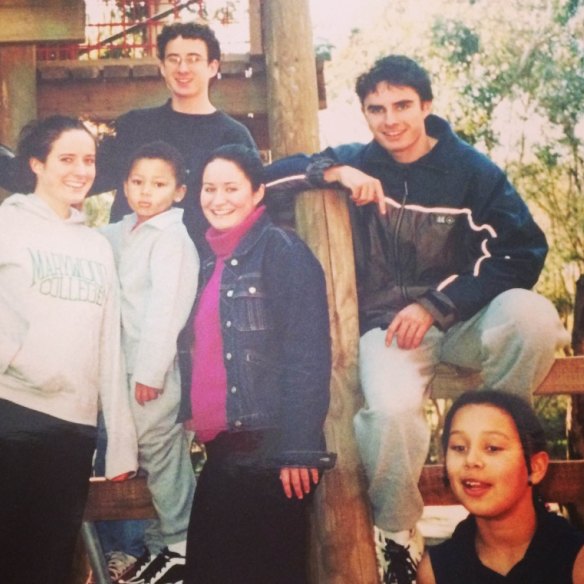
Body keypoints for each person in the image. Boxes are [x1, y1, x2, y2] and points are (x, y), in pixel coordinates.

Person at [264, 54, 570, 583]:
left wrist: (437, 305)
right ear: (363, 114)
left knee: (536, 317)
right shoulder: (358, 160)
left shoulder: (471, 172)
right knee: (388, 411)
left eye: (403, 104)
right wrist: (332, 171)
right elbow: (261, 180)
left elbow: (524, 251)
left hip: (462, 322)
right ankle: (399, 534)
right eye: (376, 108)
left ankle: (499, 448)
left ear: (426, 105)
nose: (391, 119)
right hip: (389, 332)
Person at [178, 144, 335, 584]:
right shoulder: (208, 261)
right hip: (222, 451)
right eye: (210, 188)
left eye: (231, 187)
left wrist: (299, 448)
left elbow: (307, 353)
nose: (218, 198)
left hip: (272, 452)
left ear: (257, 192)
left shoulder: (282, 250)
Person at [0, 115, 138, 584]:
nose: (80, 170)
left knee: (51, 562)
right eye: (66, 158)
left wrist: (119, 443)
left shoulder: (97, 246)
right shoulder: (8, 224)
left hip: (73, 429)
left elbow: (109, 345)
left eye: (89, 160)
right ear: (36, 163)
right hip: (11, 414)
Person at [99, 141, 200, 584]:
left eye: (158, 184)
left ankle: (180, 543)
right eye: (137, 182)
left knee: (161, 454)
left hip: (151, 371)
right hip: (117, 366)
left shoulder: (172, 239)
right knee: (128, 453)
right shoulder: (121, 231)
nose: (145, 192)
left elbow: (167, 310)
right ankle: (147, 548)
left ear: (178, 192)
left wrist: (151, 371)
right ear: (124, 186)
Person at [91, 21, 257, 251]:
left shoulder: (233, 135)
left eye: (193, 59)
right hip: (130, 264)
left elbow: (252, 201)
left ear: (212, 66)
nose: (183, 68)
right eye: (173, 59)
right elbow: (88, 178)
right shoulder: (135, 125)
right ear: (162, 66)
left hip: (203, 263)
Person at [417, 390, 584, 583]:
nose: (471, 460)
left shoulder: (576, 561)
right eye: (459, 447)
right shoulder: (437, 571)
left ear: (536, 467)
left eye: (493, 448)